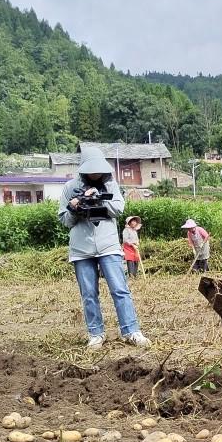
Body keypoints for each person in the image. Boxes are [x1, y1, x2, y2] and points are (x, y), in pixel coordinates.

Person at [58, 148, 151, 349]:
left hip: (108, 246)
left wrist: (98, 199)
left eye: (98, 171)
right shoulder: (69, 188)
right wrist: (76, 207)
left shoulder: (111, 185)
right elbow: (65, 221)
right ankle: (96, 334)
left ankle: (131, 331)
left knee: (120, 289)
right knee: (89, 293)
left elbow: (118, 208)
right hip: (81, 250)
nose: (95, 174)